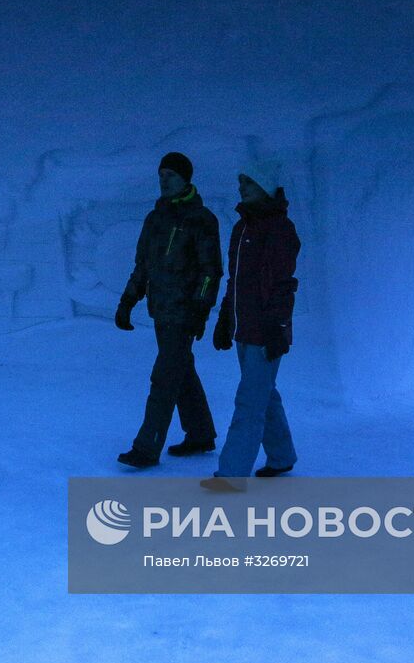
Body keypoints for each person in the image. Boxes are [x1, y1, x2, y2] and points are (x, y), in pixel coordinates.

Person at [115, 152, 223, 468]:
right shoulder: (155, 219)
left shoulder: (201, 219)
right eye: (161, 175)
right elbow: (143, 266)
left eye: (171, 175)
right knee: (181, 370)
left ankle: (146, 448)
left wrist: (200, 310)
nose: (164, 181)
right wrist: (127, 301)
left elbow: (210, 271)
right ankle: (201, 433)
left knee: (164, 377)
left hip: (183, 314)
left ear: (186, 179)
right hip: (161, 311)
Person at [204, 161, 301, 488]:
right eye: (241, 181)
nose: (242, 187)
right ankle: (282, 456)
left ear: (267, 187)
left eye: (249, 182)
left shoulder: (280, 230)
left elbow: (283, 285)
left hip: (265, 332)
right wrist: (224, 317)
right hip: (244, 329)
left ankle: (230, 476)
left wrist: (276, 326)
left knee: (249, 402)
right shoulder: (242, 228)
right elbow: (236, 281)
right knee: (264, 395)